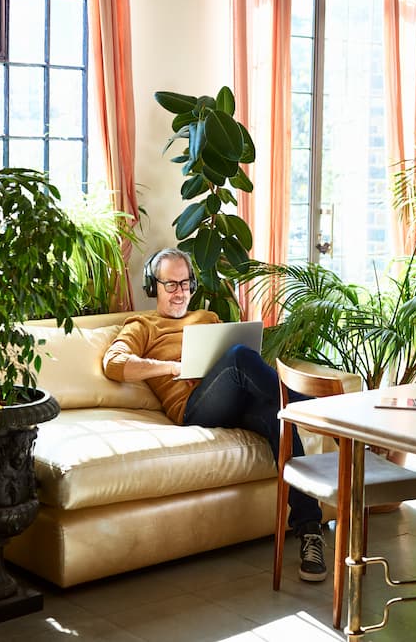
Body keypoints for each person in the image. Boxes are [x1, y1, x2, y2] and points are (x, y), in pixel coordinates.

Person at [102, 247, 327, 582]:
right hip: (195, 408)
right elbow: (114, 363)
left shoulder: (207, 319)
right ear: (154, 287)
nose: (180, 293)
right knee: (238, 357)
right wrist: (172, 367)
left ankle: (310, 531)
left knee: (276, 415)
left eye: (185, 283)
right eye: (170, 285)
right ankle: (317, 411)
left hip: (236, 400)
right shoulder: (142, 325)